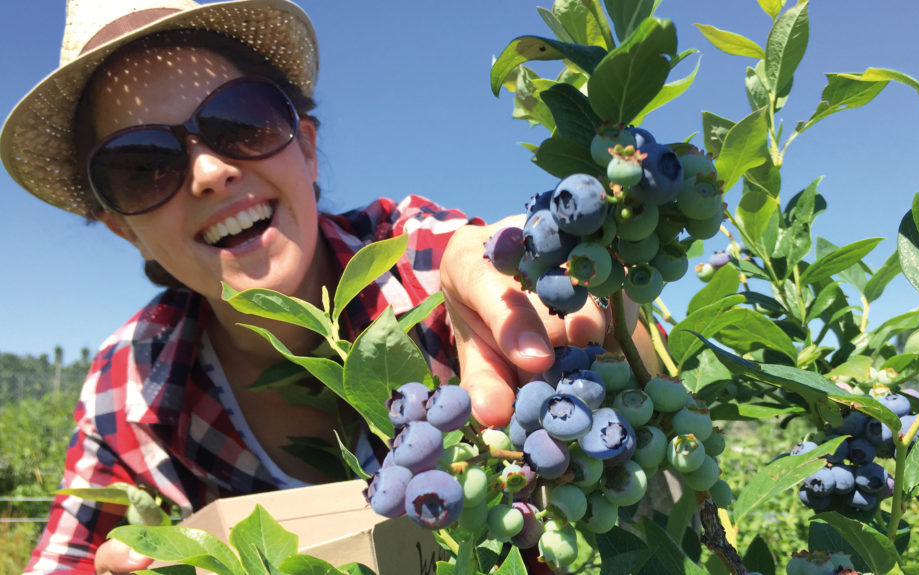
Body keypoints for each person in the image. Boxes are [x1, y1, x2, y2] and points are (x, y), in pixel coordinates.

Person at [2, 1, 656, 573]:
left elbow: (472, 262)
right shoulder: (129, 383)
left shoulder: (415, 271)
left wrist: (579, 289)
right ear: (124, 230)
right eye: (142, 166)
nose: (209, 172)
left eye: (239, 121)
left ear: (306, 149)